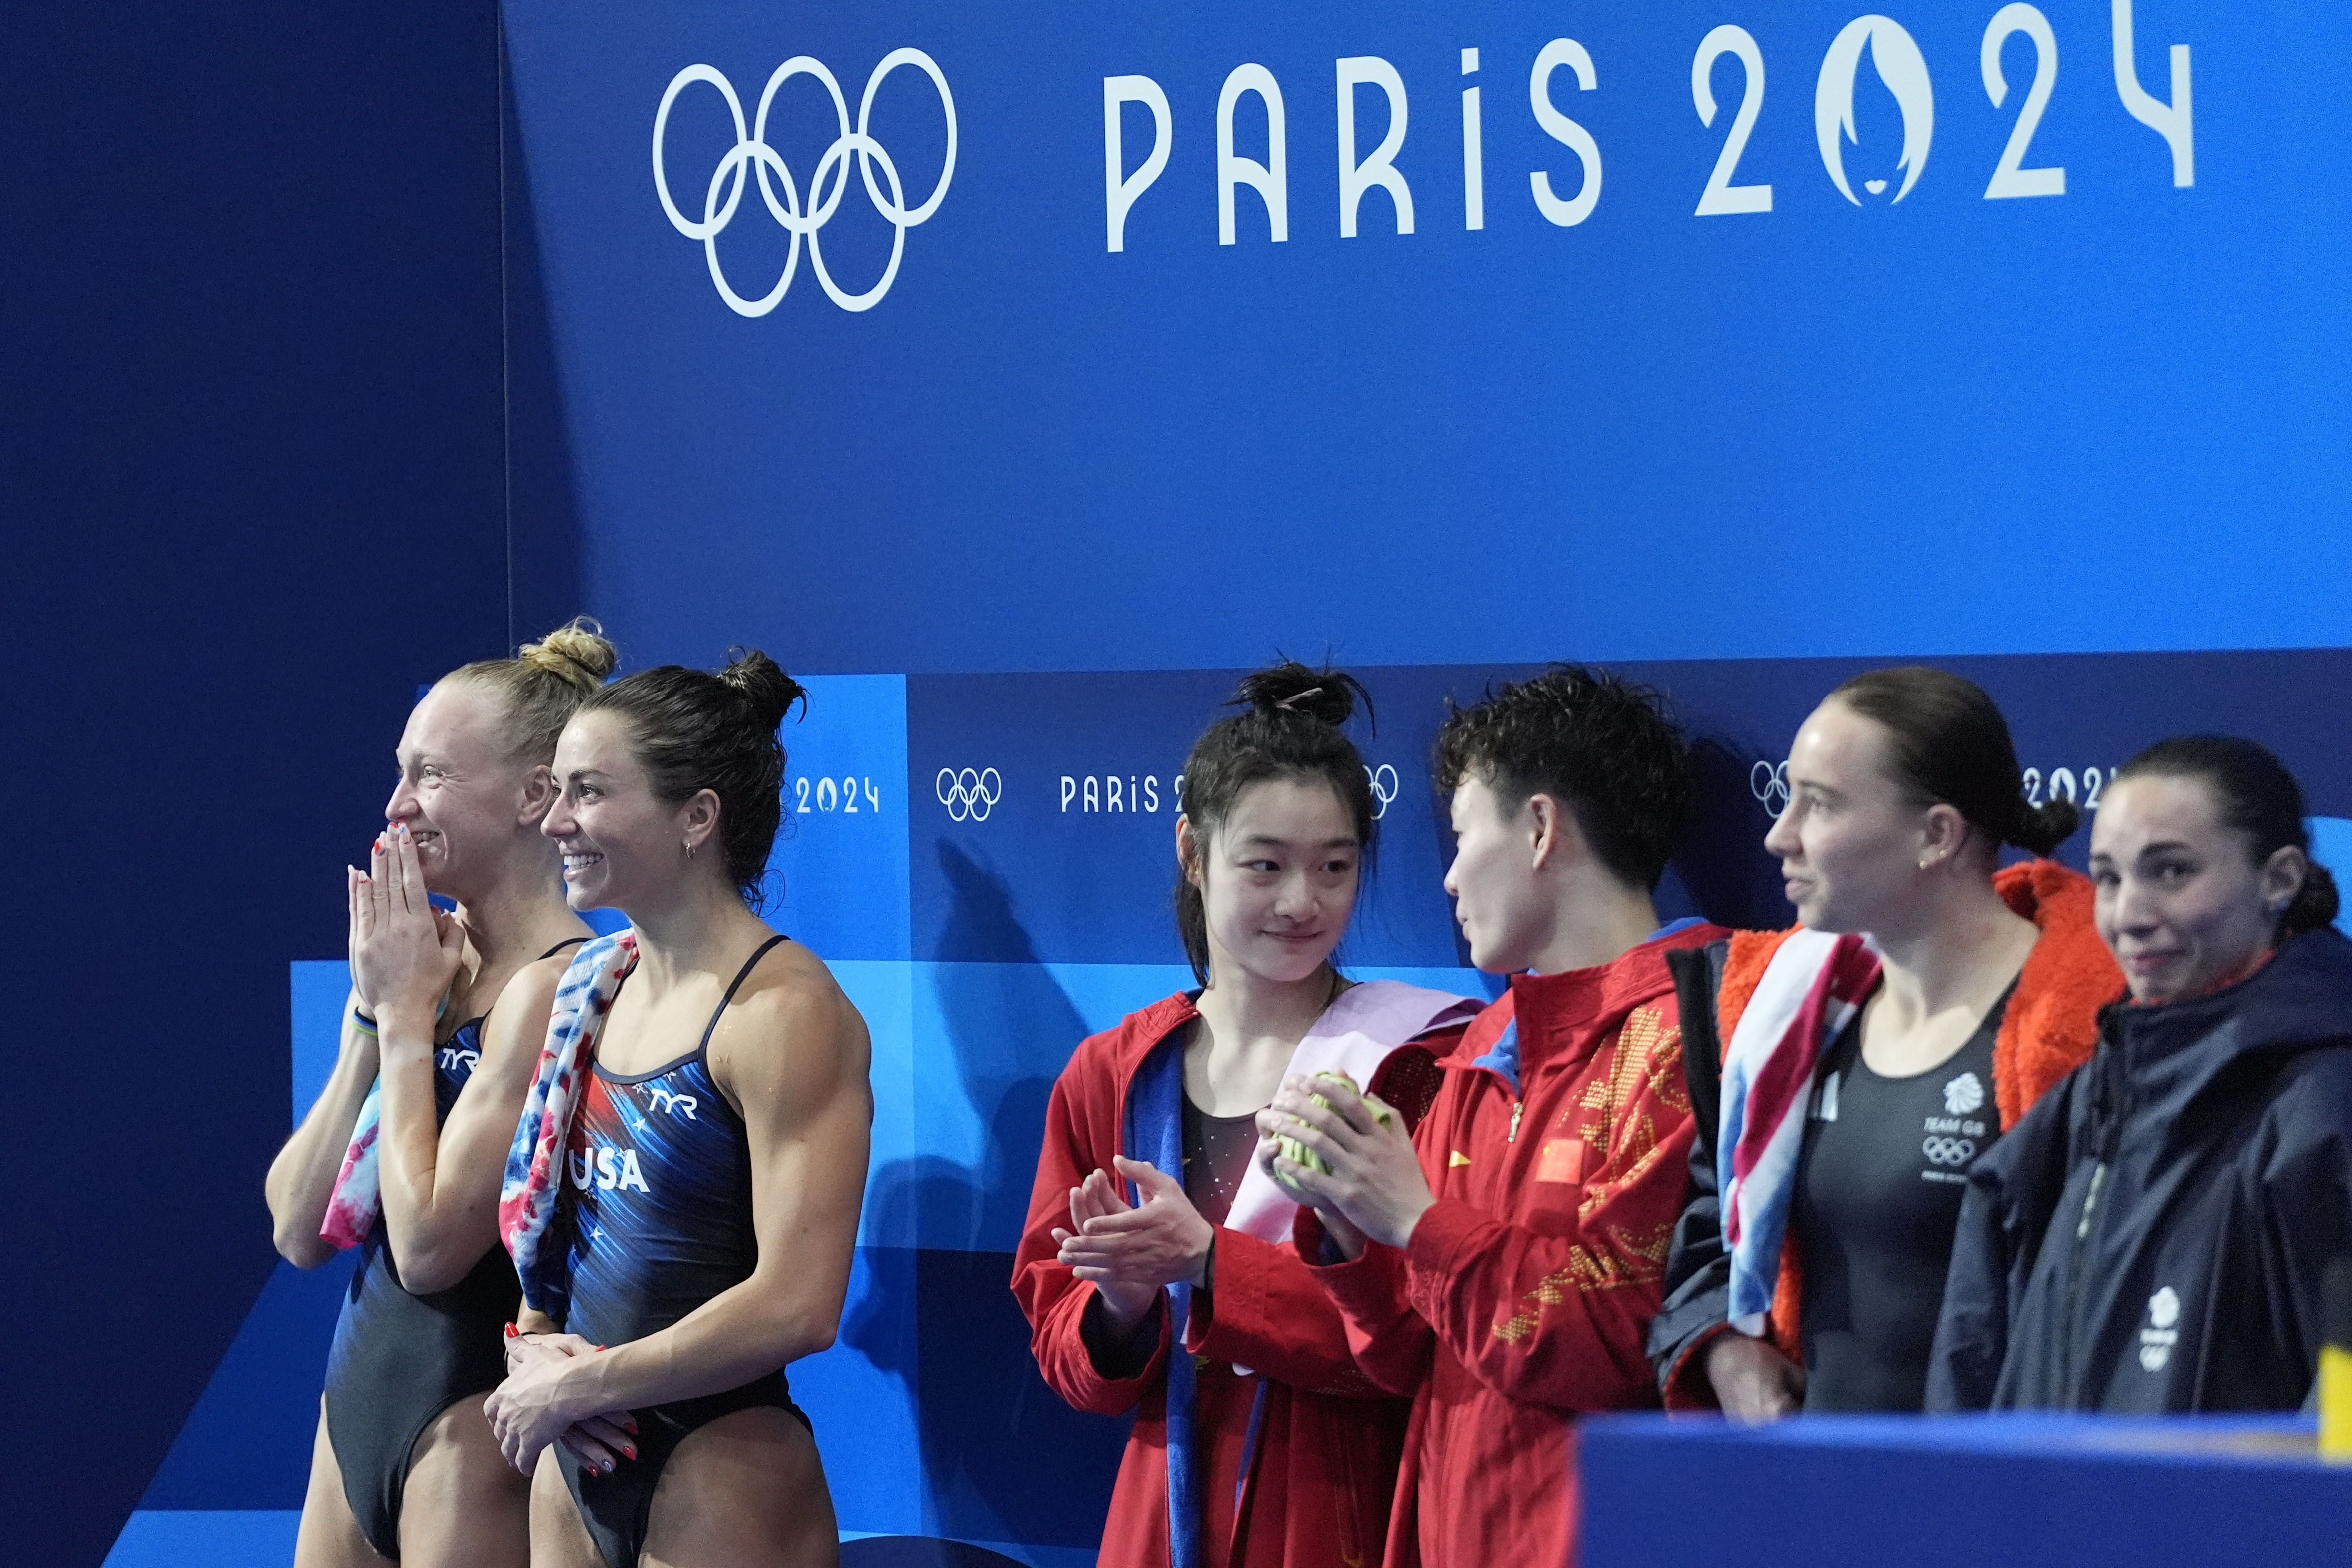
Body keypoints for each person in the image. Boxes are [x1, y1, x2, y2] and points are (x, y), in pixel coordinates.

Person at [1011, 663, 1480, 1568]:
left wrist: (1211, 1261)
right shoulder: (1113, 1074)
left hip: (1345, 1511)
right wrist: (1120, 1305)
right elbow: (1069, 1357)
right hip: (1161, 1515)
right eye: (1264, 865)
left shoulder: (1417, 1064)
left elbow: (1427, 1337)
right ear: (1193, 852)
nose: (1302, 902)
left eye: (1334, 867)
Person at [1259, 665, 1728, 1568]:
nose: (1443, 878)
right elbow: (1405, 1356)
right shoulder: (1484, 1039)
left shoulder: (1692, 1034)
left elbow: (1614, 1344)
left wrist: (1415, 1220)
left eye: (1463, 834)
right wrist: (1350, 1218)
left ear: (1540, 828)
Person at [482, 649, 871, 1568]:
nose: (556, 819)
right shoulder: (589, 988)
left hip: (718, 1470)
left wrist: (584, 1387)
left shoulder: (784, 1013)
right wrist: (539, 1364)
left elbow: (799, 1305)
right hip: (574, 1463)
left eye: (588, 791)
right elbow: (546, 1234)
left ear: (696, 816)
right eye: (554, 791)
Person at [1646, 667, 2118, 1418]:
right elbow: (1714, 1235)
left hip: (2009, 1512)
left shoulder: (2095, 1037)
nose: (1779, 834)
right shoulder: (1783, 1018)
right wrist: (1722, 1348)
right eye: (1787, 795)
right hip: (1822, 1508)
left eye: (1819, 804)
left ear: (1935, 834)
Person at [264, 619, 618, 1568]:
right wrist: (377, 1016)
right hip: (358, 1393)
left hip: (466, 1414)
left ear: (533, 795)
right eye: (398, 770)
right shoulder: (415, 962)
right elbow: (297, 1229)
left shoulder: (562, 981)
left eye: (429, 775)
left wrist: (411, 1021)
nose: (395, 805)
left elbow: (430, 1251)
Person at [1930, 735, 2352, 1412]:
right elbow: (1973, 1353)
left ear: (2278, 878)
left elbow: (2341, 1430)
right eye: (2108, 877)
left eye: (2172, 872)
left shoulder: (2323, 1101)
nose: (2128, 915)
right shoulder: (2093, 1093)